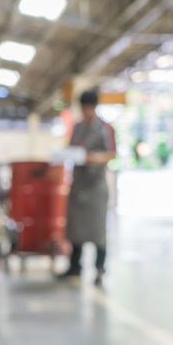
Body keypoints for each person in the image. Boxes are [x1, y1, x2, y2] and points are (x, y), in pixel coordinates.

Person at [58, 90, 117, 286]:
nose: (86, 112)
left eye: (88, 108)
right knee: (76, 228)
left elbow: (111, 154)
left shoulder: (104, 129)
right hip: (79, 184)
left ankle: (99, 269)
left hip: (96, 185)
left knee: (97, 230)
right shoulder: (78, 127)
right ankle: (75, 266)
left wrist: (93, 158)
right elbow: (71, 148)